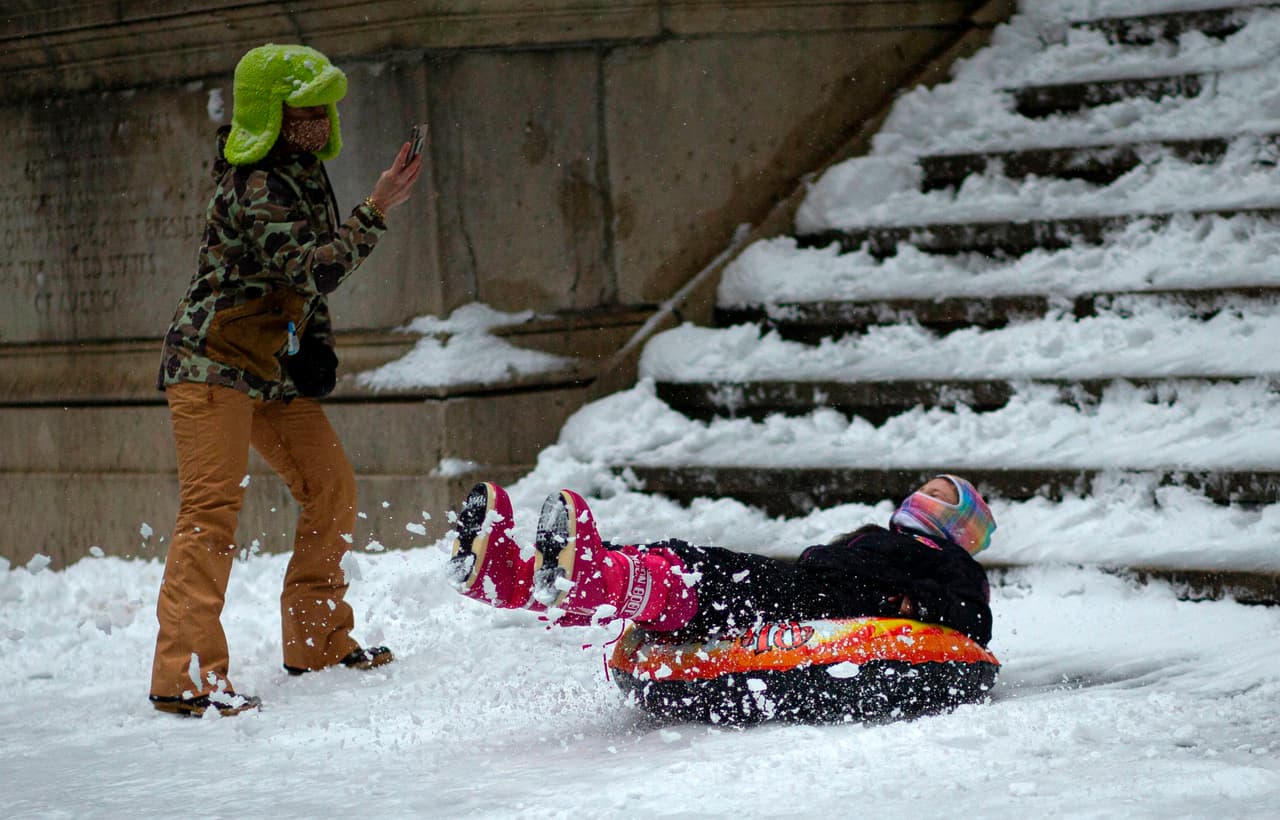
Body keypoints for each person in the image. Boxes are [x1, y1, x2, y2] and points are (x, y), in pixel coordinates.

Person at [149, 43, 422, 717]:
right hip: (212, 363)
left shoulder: (301, 173)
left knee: (330, 485)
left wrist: (316, 349)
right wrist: (378, 207)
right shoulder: (257, 184)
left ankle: (318, 639)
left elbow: (303, 289)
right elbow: (313, 267)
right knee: (211, 512)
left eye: (326, 105)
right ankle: (183, 677)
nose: (323, 117)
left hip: (266, 370)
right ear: (273, 113)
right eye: (309, 106)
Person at [449, 475, 995, 647]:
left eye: (938, 494)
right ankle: (513, 577)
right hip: (800, 583)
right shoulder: (878, 536)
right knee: (684, 558)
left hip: (816, 606)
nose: (923, 495)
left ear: (958, 527)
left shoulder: (953, 565)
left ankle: (592, 578)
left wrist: (917, 601)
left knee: (703, 582)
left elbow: (976, 620)